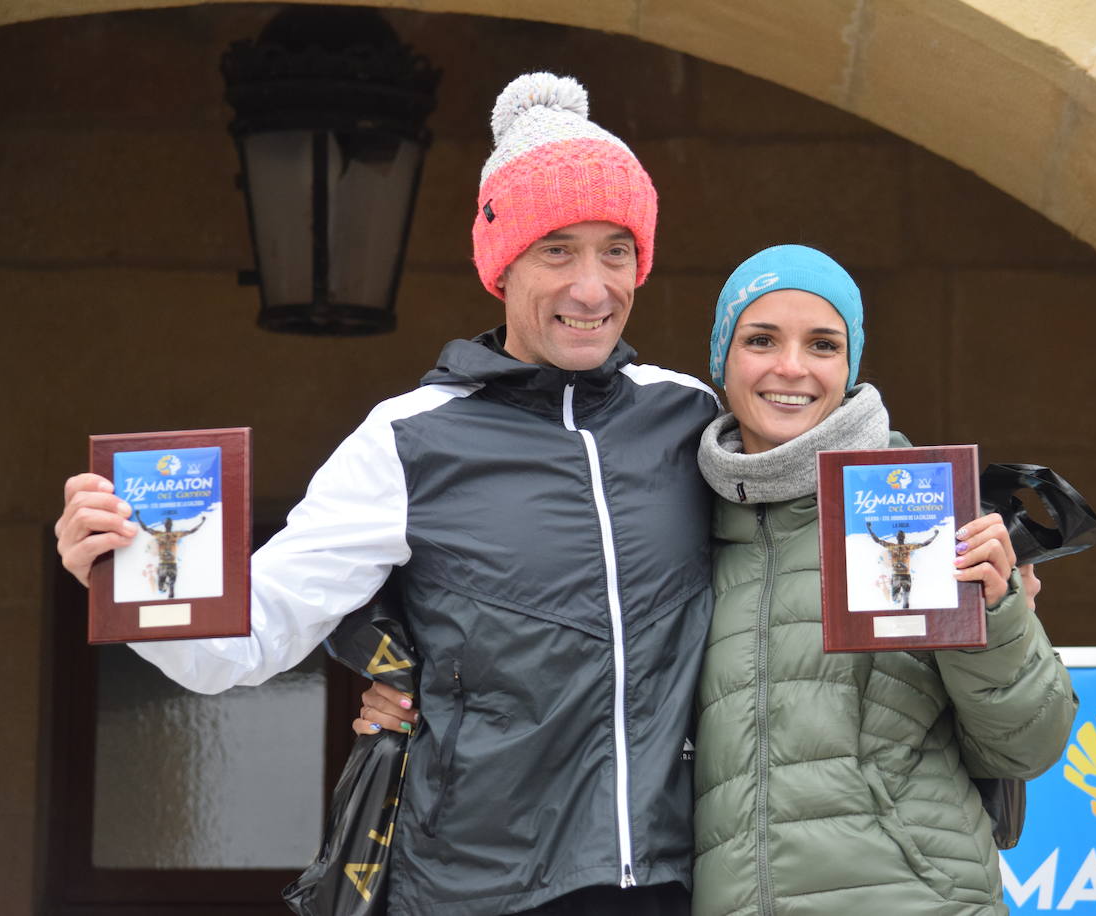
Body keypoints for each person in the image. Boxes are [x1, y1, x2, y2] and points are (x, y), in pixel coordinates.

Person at [55, 72, 719, 915]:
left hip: (673, 881)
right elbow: (249, 638)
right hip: (479, 890)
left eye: (615, 250)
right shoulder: (409, 438)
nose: (593, 288)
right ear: (501, 264)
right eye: (558, 250)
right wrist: (126, 580)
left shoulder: (688, 415)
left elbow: (796, 572)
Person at [690, 245, 1077, 916]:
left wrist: (1000, 618)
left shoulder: (926, 507)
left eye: (822, 344)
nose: (791, 367)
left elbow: (1025, 746)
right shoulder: (679, 519)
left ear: (850, 365)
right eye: (761, 339)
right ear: (722, 359)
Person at [866, 521, 938, 609]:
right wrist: (869, 528)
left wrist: (935, 535)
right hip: (896, 575)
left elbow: (924, 544)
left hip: (905, 575)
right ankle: (899, 598)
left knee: (906, 600)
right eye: (899, 535)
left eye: (901, 535)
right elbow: (877, 541)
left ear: (903, 537)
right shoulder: (893, 546)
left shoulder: (907, 547)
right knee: (894, 598)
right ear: (897, 537)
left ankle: (906, 611)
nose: (900, 536)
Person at [134, 512, 205, 599]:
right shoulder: (159, 534)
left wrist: (202, 522)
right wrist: (138, 517)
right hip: (163, 563)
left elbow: (191, 531)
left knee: (172, 589)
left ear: (171, 524)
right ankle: (166, 587)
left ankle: (171, 595)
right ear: (164, 524)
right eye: (167, 522)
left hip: (172, 563)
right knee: (160, 587)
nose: (168, 524)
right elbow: (145, 528)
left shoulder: (175, 535)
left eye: (169, 522)